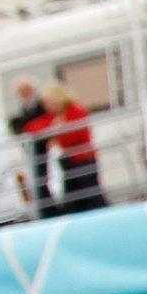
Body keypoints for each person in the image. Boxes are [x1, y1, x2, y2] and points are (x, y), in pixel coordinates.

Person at [26, 82, 103, 215]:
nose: (46, 107)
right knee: (72, 200)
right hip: (69, 162)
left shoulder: (76, 111)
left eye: (47, 102)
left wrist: (57, 133)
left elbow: (76, 135)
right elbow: (32, 127)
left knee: (91, 197)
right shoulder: (56, 116)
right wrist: (55, 130)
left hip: (83, 160)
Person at [6, 76, 48, 220]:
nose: (24, 94)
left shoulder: (43, 107)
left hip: (45, 151)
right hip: (32, 154)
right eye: (21, 91)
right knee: (35, 183)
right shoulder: (22, 113)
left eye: (26, 90)